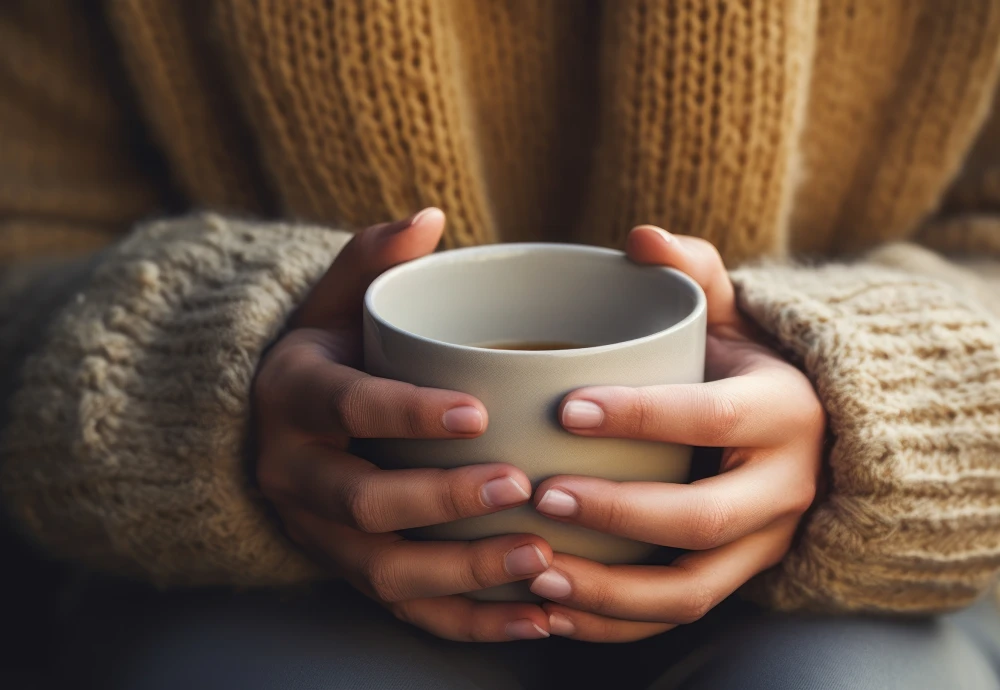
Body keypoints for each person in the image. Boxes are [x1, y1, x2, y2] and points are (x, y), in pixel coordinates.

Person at [1, 1, 999, 688]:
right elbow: (26, 244)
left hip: (860, 577)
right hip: (267, 567)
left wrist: (880, 403)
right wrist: (209, 380)